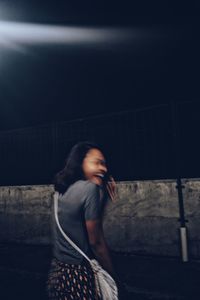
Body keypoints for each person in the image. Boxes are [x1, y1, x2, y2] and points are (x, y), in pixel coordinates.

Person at [47, 141, 117, 300]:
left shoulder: (60, 191)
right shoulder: (89, 189)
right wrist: (114, 277)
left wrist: (103, 193)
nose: (103, 169)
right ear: (80, 163)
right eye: (97, 162)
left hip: (57, 274)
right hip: (79, 277)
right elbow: (96, 242)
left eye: (104, 164)